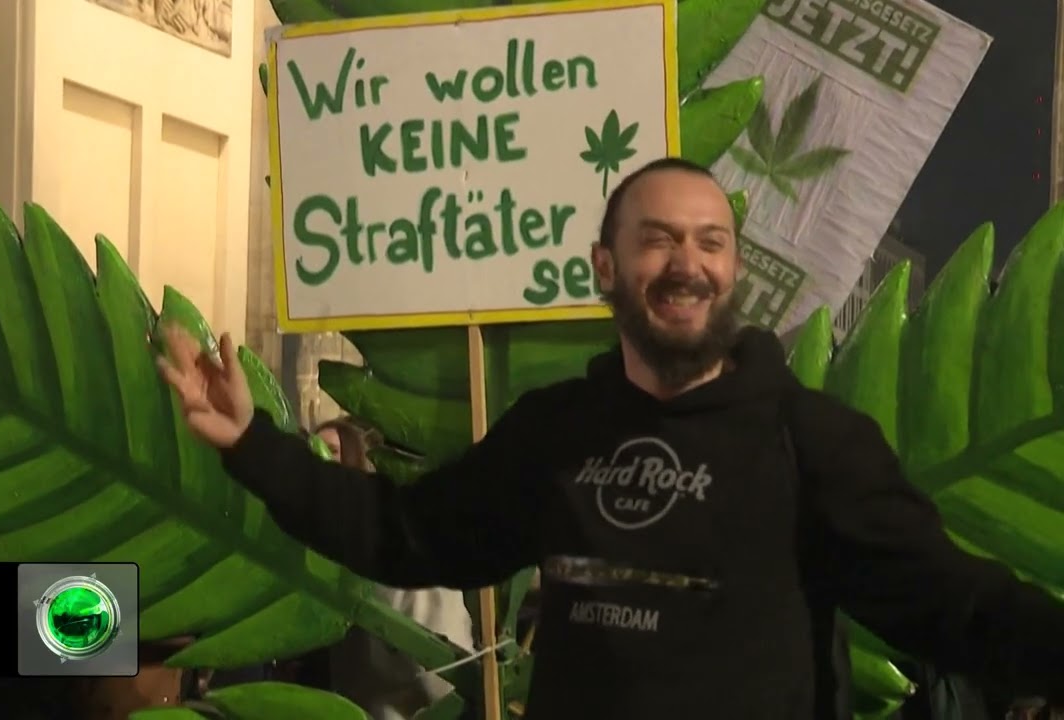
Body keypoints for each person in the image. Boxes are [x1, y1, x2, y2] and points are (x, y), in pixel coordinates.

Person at [157, 157, 1064, 719]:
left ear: (734, 270)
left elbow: (957, 606)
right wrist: (251, 442)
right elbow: (406, 534)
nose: (688, 264)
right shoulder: (558, 431)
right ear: (606, 266)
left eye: (711, 242)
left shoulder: (815, 442)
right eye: (658, 240)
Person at [313, 418, 475, 720]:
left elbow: (442, 679)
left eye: (333, 450)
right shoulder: (323, 560)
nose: (320, 459)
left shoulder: (396, 548)